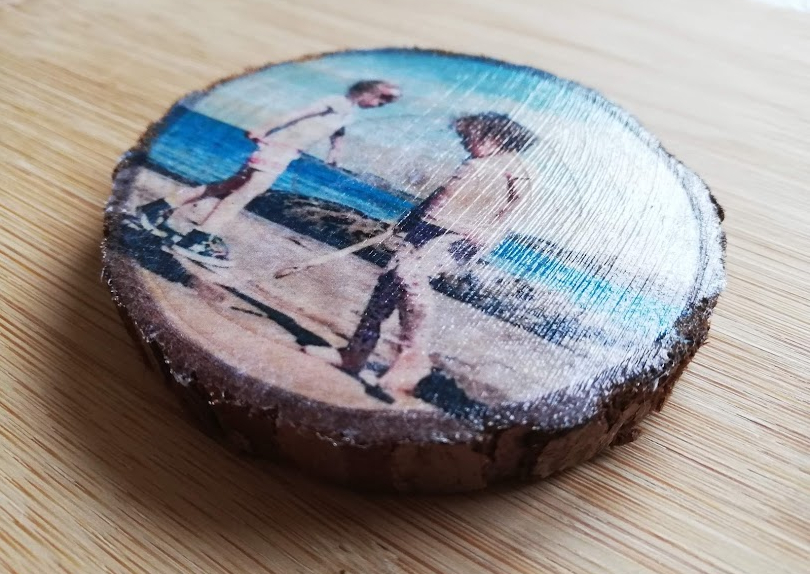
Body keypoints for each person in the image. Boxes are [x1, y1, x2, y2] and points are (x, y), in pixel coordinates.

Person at [306, 112, 537, 397]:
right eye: (462, 138)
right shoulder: (476, 163)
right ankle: (355, 353)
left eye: (468, 137)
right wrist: (409, 220)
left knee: (409, 275)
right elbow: (441, 196)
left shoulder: (515, 168)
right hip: (428, 228)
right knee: (387, 286)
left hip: (461, 237)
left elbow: (516, 209)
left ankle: (413, 359)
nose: (464, 143)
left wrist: (489, 232)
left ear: (495, 137)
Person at [132, 80, 402, 267]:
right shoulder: (336, 102)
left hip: (286, 152)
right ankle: (199, 238)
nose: (381, 105)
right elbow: (298, 114)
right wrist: (264, 128)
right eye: (382, 98)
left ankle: (157, 208)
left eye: (387, 102)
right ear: (365, 91)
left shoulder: (347, 114)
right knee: (244, 194)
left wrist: (335, 153)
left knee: (228, 186)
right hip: (276, 148)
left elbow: (338, 133)